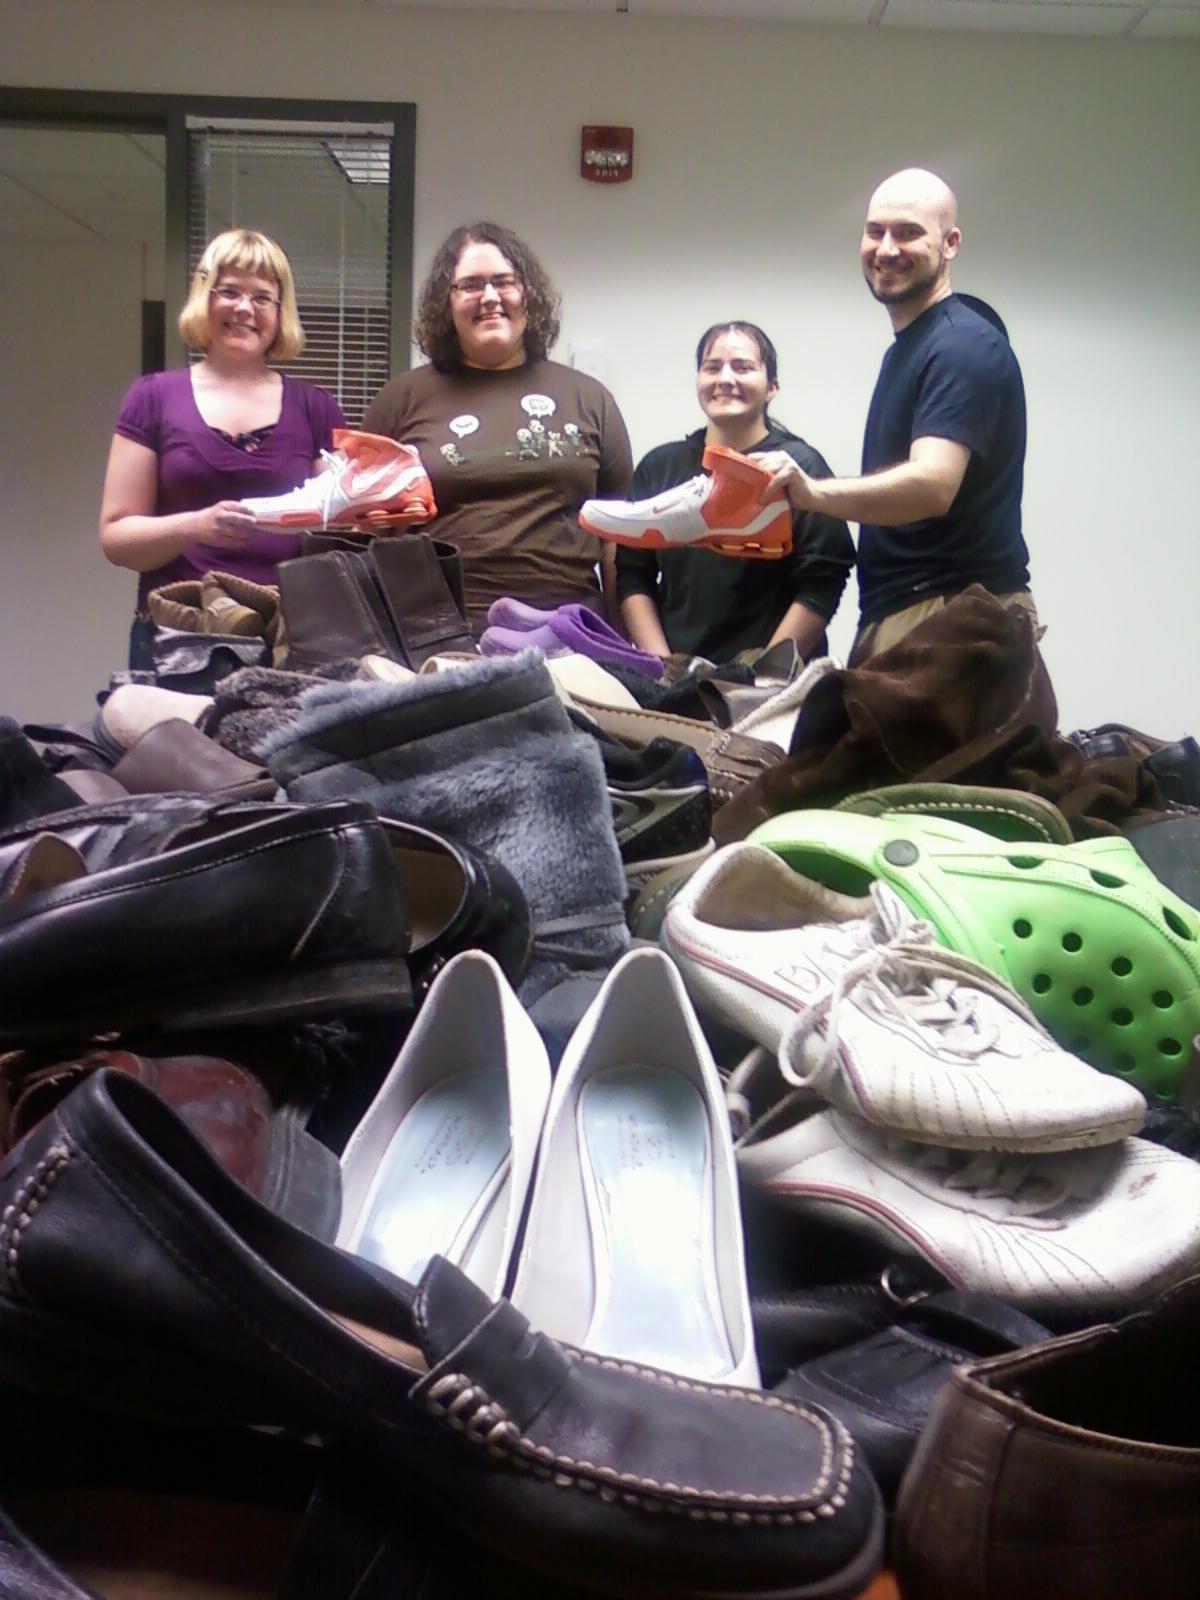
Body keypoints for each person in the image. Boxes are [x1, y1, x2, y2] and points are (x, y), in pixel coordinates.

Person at [755, 168, 1037, 664]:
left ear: (950, 244)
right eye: (875, 231)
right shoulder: (913, 347)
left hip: (950, 617)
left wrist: (814, 493)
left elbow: (933, 484)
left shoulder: (960, 345)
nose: (886, 248)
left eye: (908, 232)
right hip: (913, 612)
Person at [363, 222, 632, 635]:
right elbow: (367, 532)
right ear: (446, 303)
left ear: (528, 295)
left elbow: (618, 543)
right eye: (470, 285)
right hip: (437, 633)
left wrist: (625, 646)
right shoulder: (400, 400)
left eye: (504, 282)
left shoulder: (589, 398)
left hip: (569, 633)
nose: (489, 297)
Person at [99, 228, 345, 668]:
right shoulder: (152, 397)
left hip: (288, 641)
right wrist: (195, 526)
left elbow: (338, 534)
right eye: (228, 292)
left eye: (262, 297)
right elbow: (117, 539)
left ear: (279, 311)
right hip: (178, 640)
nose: (244, 309)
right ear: (204, 299)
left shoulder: (316, 408)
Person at [616, 322, 854, 664]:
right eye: (712, 368)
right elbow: (633, 573)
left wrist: (765, 675)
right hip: (677, 679)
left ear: (772, 387)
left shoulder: (799, 468)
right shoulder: (660, 467)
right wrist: (662, 668)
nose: (725, 379)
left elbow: (823, 582)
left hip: (772, 685)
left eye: (743, 368)